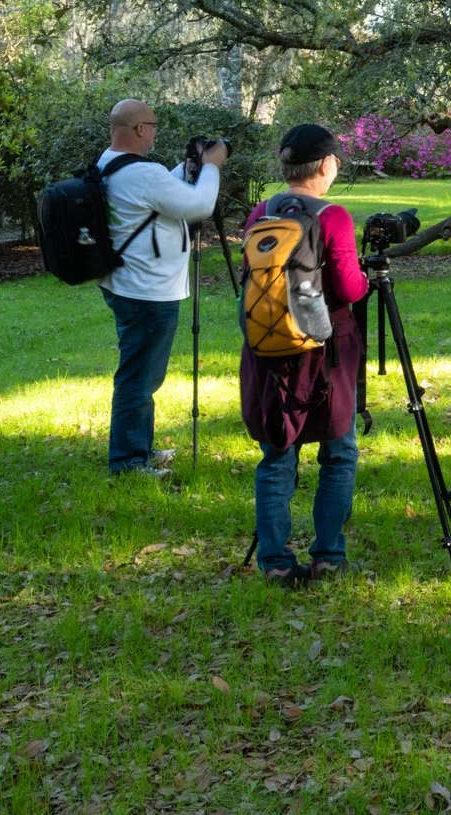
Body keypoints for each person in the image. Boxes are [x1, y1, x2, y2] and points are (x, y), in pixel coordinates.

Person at [239, 124, 371, 587]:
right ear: (324, 165)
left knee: (277, 454)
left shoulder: (263, 210)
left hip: (268, 350)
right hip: (324, 350)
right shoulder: (332, 215)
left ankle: (274, 561)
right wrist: (370, 279)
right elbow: (350, 288)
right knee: (339, 451)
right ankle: (329, 556)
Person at [96, 98, 227, 475]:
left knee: (140, 373)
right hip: (148, 290)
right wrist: (212, 167)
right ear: (140, 129)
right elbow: (200, 205)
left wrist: (187, 169)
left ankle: (139, 448)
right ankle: (128, 462)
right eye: (152, 126)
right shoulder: (143, 173)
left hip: (124, 282)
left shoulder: (109, 162)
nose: (155, 133)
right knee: (140, 378)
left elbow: (156, 193)